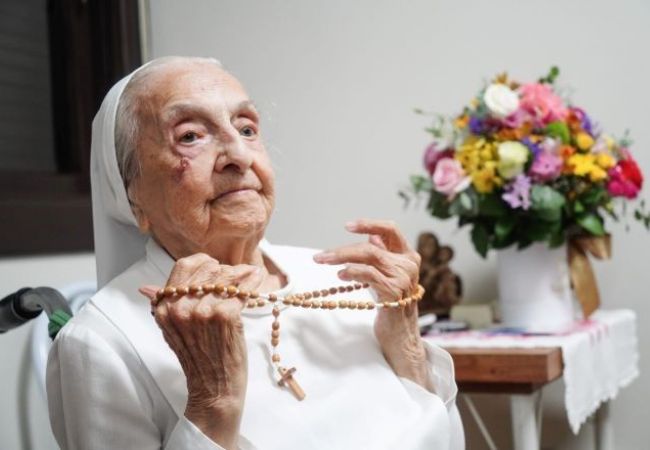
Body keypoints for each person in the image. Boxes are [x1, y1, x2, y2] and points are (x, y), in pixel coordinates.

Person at [46, 56, 465, 450]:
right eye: (190, 136)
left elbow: (443, 438)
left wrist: (405, 342)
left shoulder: (347, 280)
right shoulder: (99, 343)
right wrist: (213, 403)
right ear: (131, 196)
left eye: (246, 129)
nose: (239, 155)